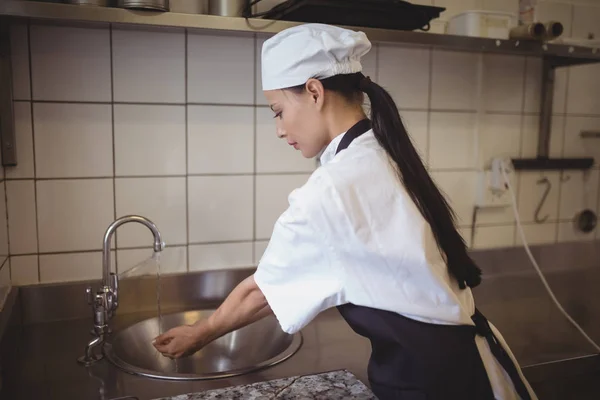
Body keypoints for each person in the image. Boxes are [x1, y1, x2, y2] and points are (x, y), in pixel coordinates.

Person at [153, 23, 537, 400]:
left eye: (278, 110)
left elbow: (262, 293)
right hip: (459, 362)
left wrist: (200, 333)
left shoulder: (331, 189)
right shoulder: (383, 152)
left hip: (431, 381)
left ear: (314, 92)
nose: (279, 129)